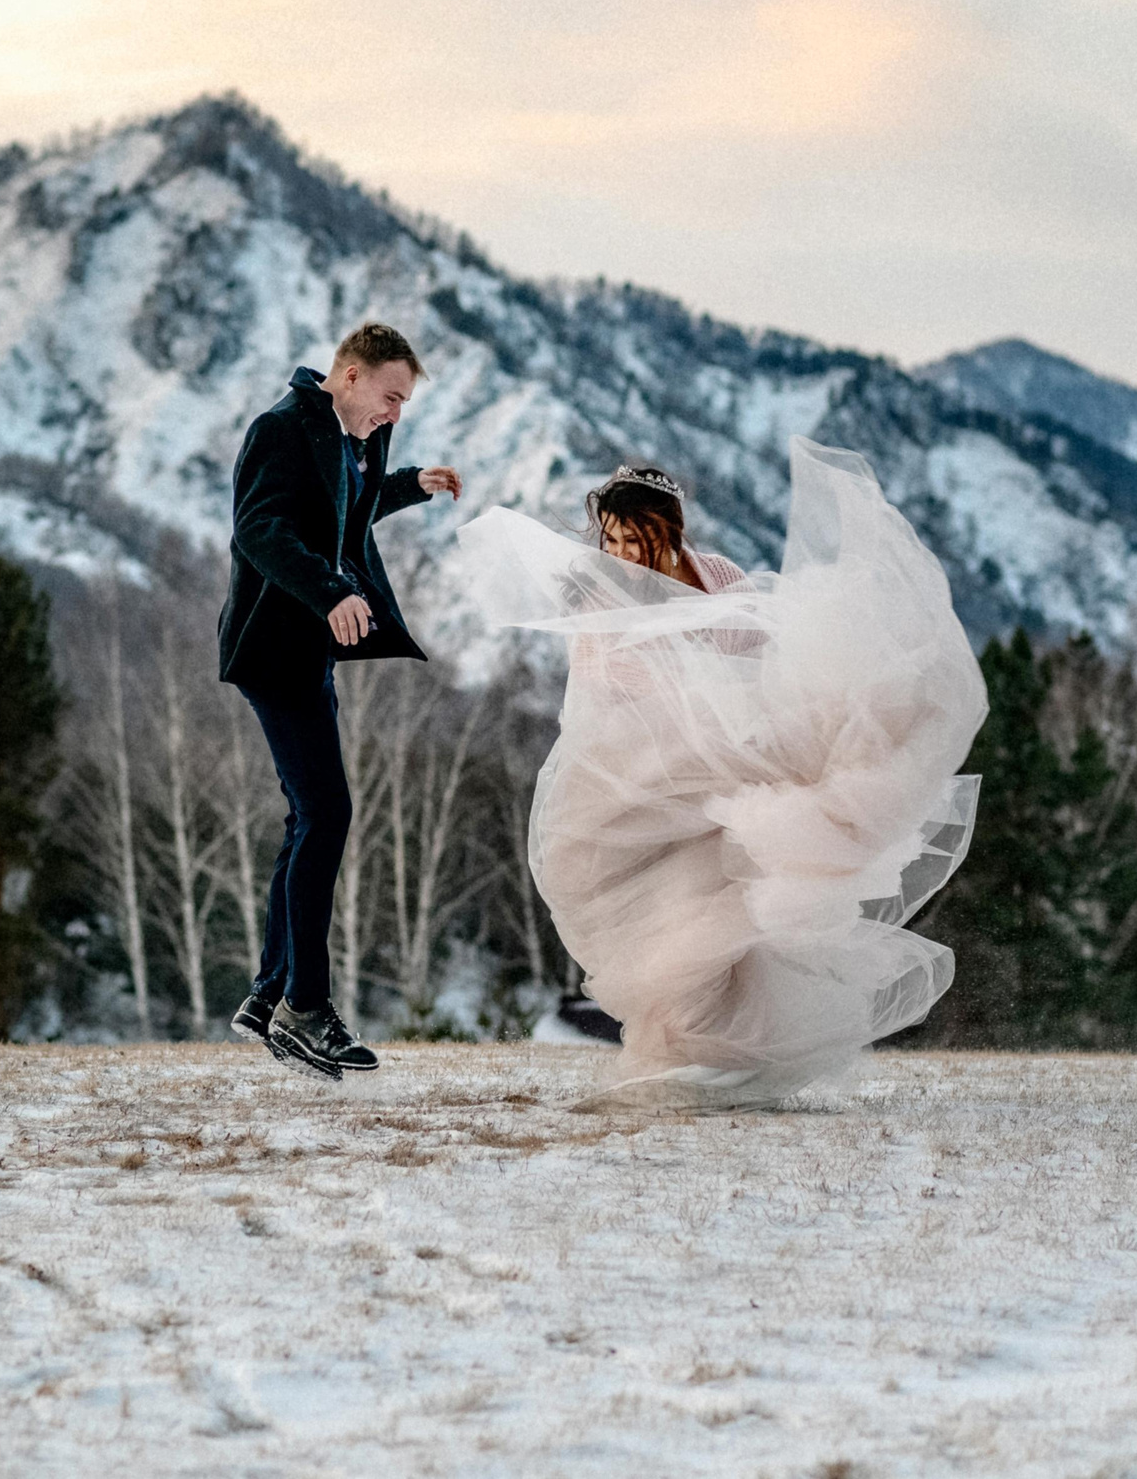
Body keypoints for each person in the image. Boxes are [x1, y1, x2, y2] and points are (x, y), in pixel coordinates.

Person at [457, 439, 985, 1108]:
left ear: (668, 530)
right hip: (634, 780)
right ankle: (691, 1049)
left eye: (634, 538)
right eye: (611, 538)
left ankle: (722, 1054)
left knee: (717, 917)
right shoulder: (601, 597)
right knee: (651, 915)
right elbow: (601, 695)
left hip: (721, 779)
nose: (621, 552)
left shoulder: (722, 578)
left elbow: (767, 669)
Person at [218, 322, 463, 1080]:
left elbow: (344, 507)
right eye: (391, 396)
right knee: (328, 813)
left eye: (405, 403)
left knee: (308, 816)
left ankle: (269, 994)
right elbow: (260, 529)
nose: (396, 412)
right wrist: (329, 594)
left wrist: (407, 485)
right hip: (274, 648)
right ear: (349, 376)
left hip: (308, 651)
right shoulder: (282, 428)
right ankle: (303, 1008)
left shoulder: (362, 436)